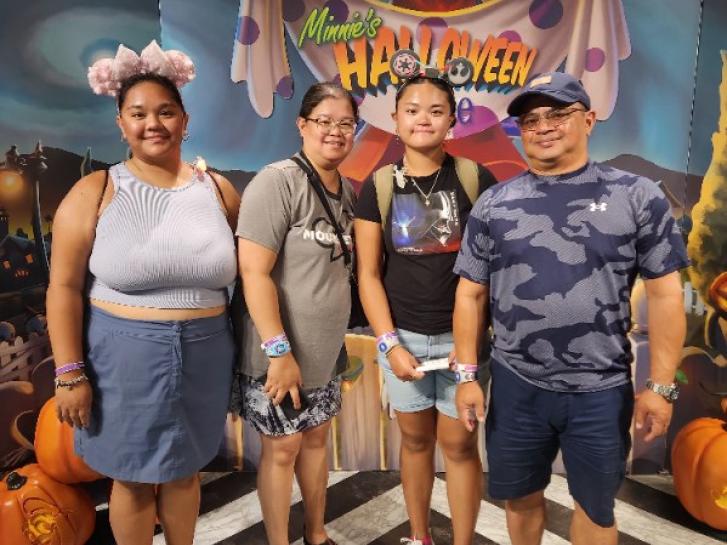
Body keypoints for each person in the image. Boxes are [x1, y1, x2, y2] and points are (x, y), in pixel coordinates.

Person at [453, 72, 689, 545]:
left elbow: (665, 295)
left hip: (600, 388)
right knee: (519, 498)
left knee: (597, 510)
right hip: (517, 384)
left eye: (558, 114)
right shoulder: (495, 204)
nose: (543, 126)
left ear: (588, 119)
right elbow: (470, 293)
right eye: (530, 119)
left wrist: (661, 387)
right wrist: (466, 376)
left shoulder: (636, 196)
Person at [47, 41, 240, 545]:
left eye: (165, 112)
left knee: (184, 471)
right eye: (138, 114)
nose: (153, 123)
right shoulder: (94, 191)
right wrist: (69, 373)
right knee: (131, 477)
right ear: (120, 123)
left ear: (184, 120)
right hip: (122, 357)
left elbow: (249, 277)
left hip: (206, 351)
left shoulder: (218, 191)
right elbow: (64, 288)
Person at [354, 70, 497, 545]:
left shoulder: (476, 179)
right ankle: (419, 536)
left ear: (453, 120)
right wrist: (390, 344)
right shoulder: (376, 187)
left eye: (436, 111)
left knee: (459, 445)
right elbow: (369, 275)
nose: (423, 120)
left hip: (465, 342)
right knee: (415, 442)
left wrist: (472, 348)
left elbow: (490, 273)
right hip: (405, 341)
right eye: (412, 110)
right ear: (395, 119)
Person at [235, 82, 358, 545]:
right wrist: (279, 352)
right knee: (282, 449)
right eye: (324, 121)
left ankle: (316, 532)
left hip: (324, 355)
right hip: (279, 355)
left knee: (316, 443)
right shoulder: (278, 181)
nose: (335, 131)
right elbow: (253, 271)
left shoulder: (346, 189)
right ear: (302, 125)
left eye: (345, 123)